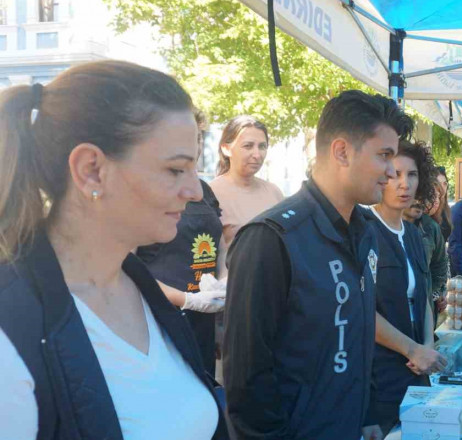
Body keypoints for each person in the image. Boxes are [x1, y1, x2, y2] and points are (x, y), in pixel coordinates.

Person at [0, 61, 226, 440]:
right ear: (91, 169)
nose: (196, 191)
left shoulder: (139, 287)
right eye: (175, 170)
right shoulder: (13, 326)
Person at [221, 90, 413, 440]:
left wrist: (366, 415)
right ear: (341, 151)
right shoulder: (271, 238)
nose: (391, 171)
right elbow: (247, 380)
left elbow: (357, 330)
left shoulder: (365, 232)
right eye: (384, 155)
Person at [137, 110, 226, 377]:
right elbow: (126, 267)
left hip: (203, 323)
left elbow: (221, 245)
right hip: (161, 321)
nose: (195, 145)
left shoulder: (204, 190)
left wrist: (223, 280)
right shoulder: (145, 191)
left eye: (198, 138)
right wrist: (187, 299)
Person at [366, 139, 447, 434]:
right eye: (396, 174)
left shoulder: (413, 233)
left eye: (411, 175)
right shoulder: (363, 230)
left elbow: (423, 296)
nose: (404, 184)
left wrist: (425, 346)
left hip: (416, 370)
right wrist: (412, 349)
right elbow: (360, 309)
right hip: (378, 375)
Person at [209, 115, 284, 265]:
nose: (257, 155)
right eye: (248, 146)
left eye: (262, 146)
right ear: (226, 148)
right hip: (234, 285)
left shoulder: (274, 192)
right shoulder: (210, 194)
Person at [403, 201, 449, 326]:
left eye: (423, 195)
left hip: (422, 314)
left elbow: (439, 265)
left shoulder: (430, 227)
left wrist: (432, 294)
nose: (419, 201)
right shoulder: (375, 227)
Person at [428, 167, 453, 241]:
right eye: (438, 183)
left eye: (445, 184)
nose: (442, 187)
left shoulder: (446, 209)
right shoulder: (429, 208)